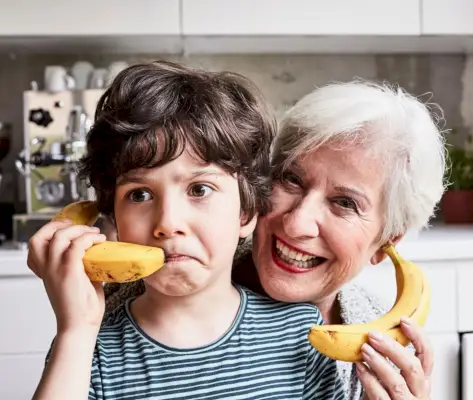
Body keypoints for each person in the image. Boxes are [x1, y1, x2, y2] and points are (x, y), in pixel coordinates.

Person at [103, 79, 447, 400]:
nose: (298, 224)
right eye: (291, 179)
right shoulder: (150, 290)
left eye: (345, 203)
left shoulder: (381, 349)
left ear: (386, 241)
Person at [26, 61, 344, 400]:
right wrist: (76, 331)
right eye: (140, 194)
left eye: (199, 189)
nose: (167, 223)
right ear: (115, 222)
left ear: (246, 212)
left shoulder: (299, 334)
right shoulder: (89, 349)